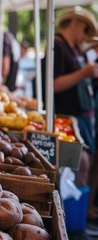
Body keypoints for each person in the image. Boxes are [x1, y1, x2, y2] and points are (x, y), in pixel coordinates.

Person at [49, 7, 98, 220]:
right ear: (75, 23)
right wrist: (84, 73)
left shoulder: (75, 49)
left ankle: (83, 211)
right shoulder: (57, 47)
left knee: (88, 164)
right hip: (67, 118)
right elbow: (53, 84)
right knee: (81, 165)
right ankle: (72, 218)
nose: (85, 35)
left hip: (84, 118)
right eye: (84, 29)